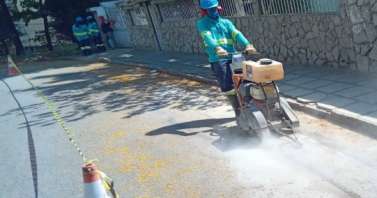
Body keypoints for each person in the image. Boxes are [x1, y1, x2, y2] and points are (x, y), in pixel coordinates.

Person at [197, 0, 257, 118]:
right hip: (217, 58)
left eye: (214, 9)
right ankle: (238, 113)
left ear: (218, 8)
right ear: (205, 11)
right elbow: (207, 36)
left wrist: (247, 44)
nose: (213, 11)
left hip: (234, 55)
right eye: (210, 10)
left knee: (247, 78)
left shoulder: (226, 22)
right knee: (228, 85)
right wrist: (217, 48)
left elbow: (235, 33)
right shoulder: (202, 23)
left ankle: (251, 108)